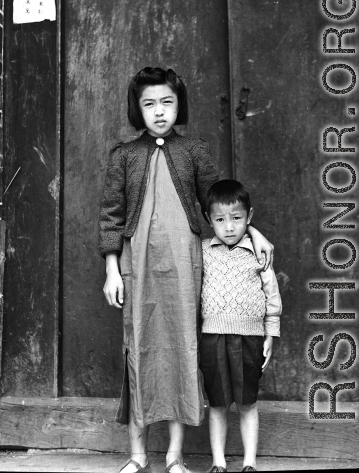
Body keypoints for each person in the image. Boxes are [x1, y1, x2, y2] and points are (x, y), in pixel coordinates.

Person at [99, 67, 275, 473]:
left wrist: (256, 233)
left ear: (179, 105)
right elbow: (111, 215)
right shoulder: (124, 156)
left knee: (182, 348)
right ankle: (138, 456)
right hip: (136, 265)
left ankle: (174, 456)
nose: (159, 112)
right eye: (149, 104)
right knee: (138, 348)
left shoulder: (193, 151)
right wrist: (112, 269)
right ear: (136, 109)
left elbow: (220, 202)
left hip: (186, 265)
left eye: (167, 102)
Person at [200, 180, 281, 473]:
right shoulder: (203, 252)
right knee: (219, 404)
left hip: (250, 338)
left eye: (237, 218)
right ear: (209, 220)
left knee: (247, 403)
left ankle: (249, 463)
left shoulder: (259, 253)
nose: (229, 227)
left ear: (249, 216)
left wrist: (271, 333)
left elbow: (272, 295)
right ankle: (218, 463)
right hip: (213, 337)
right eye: (220, 220)